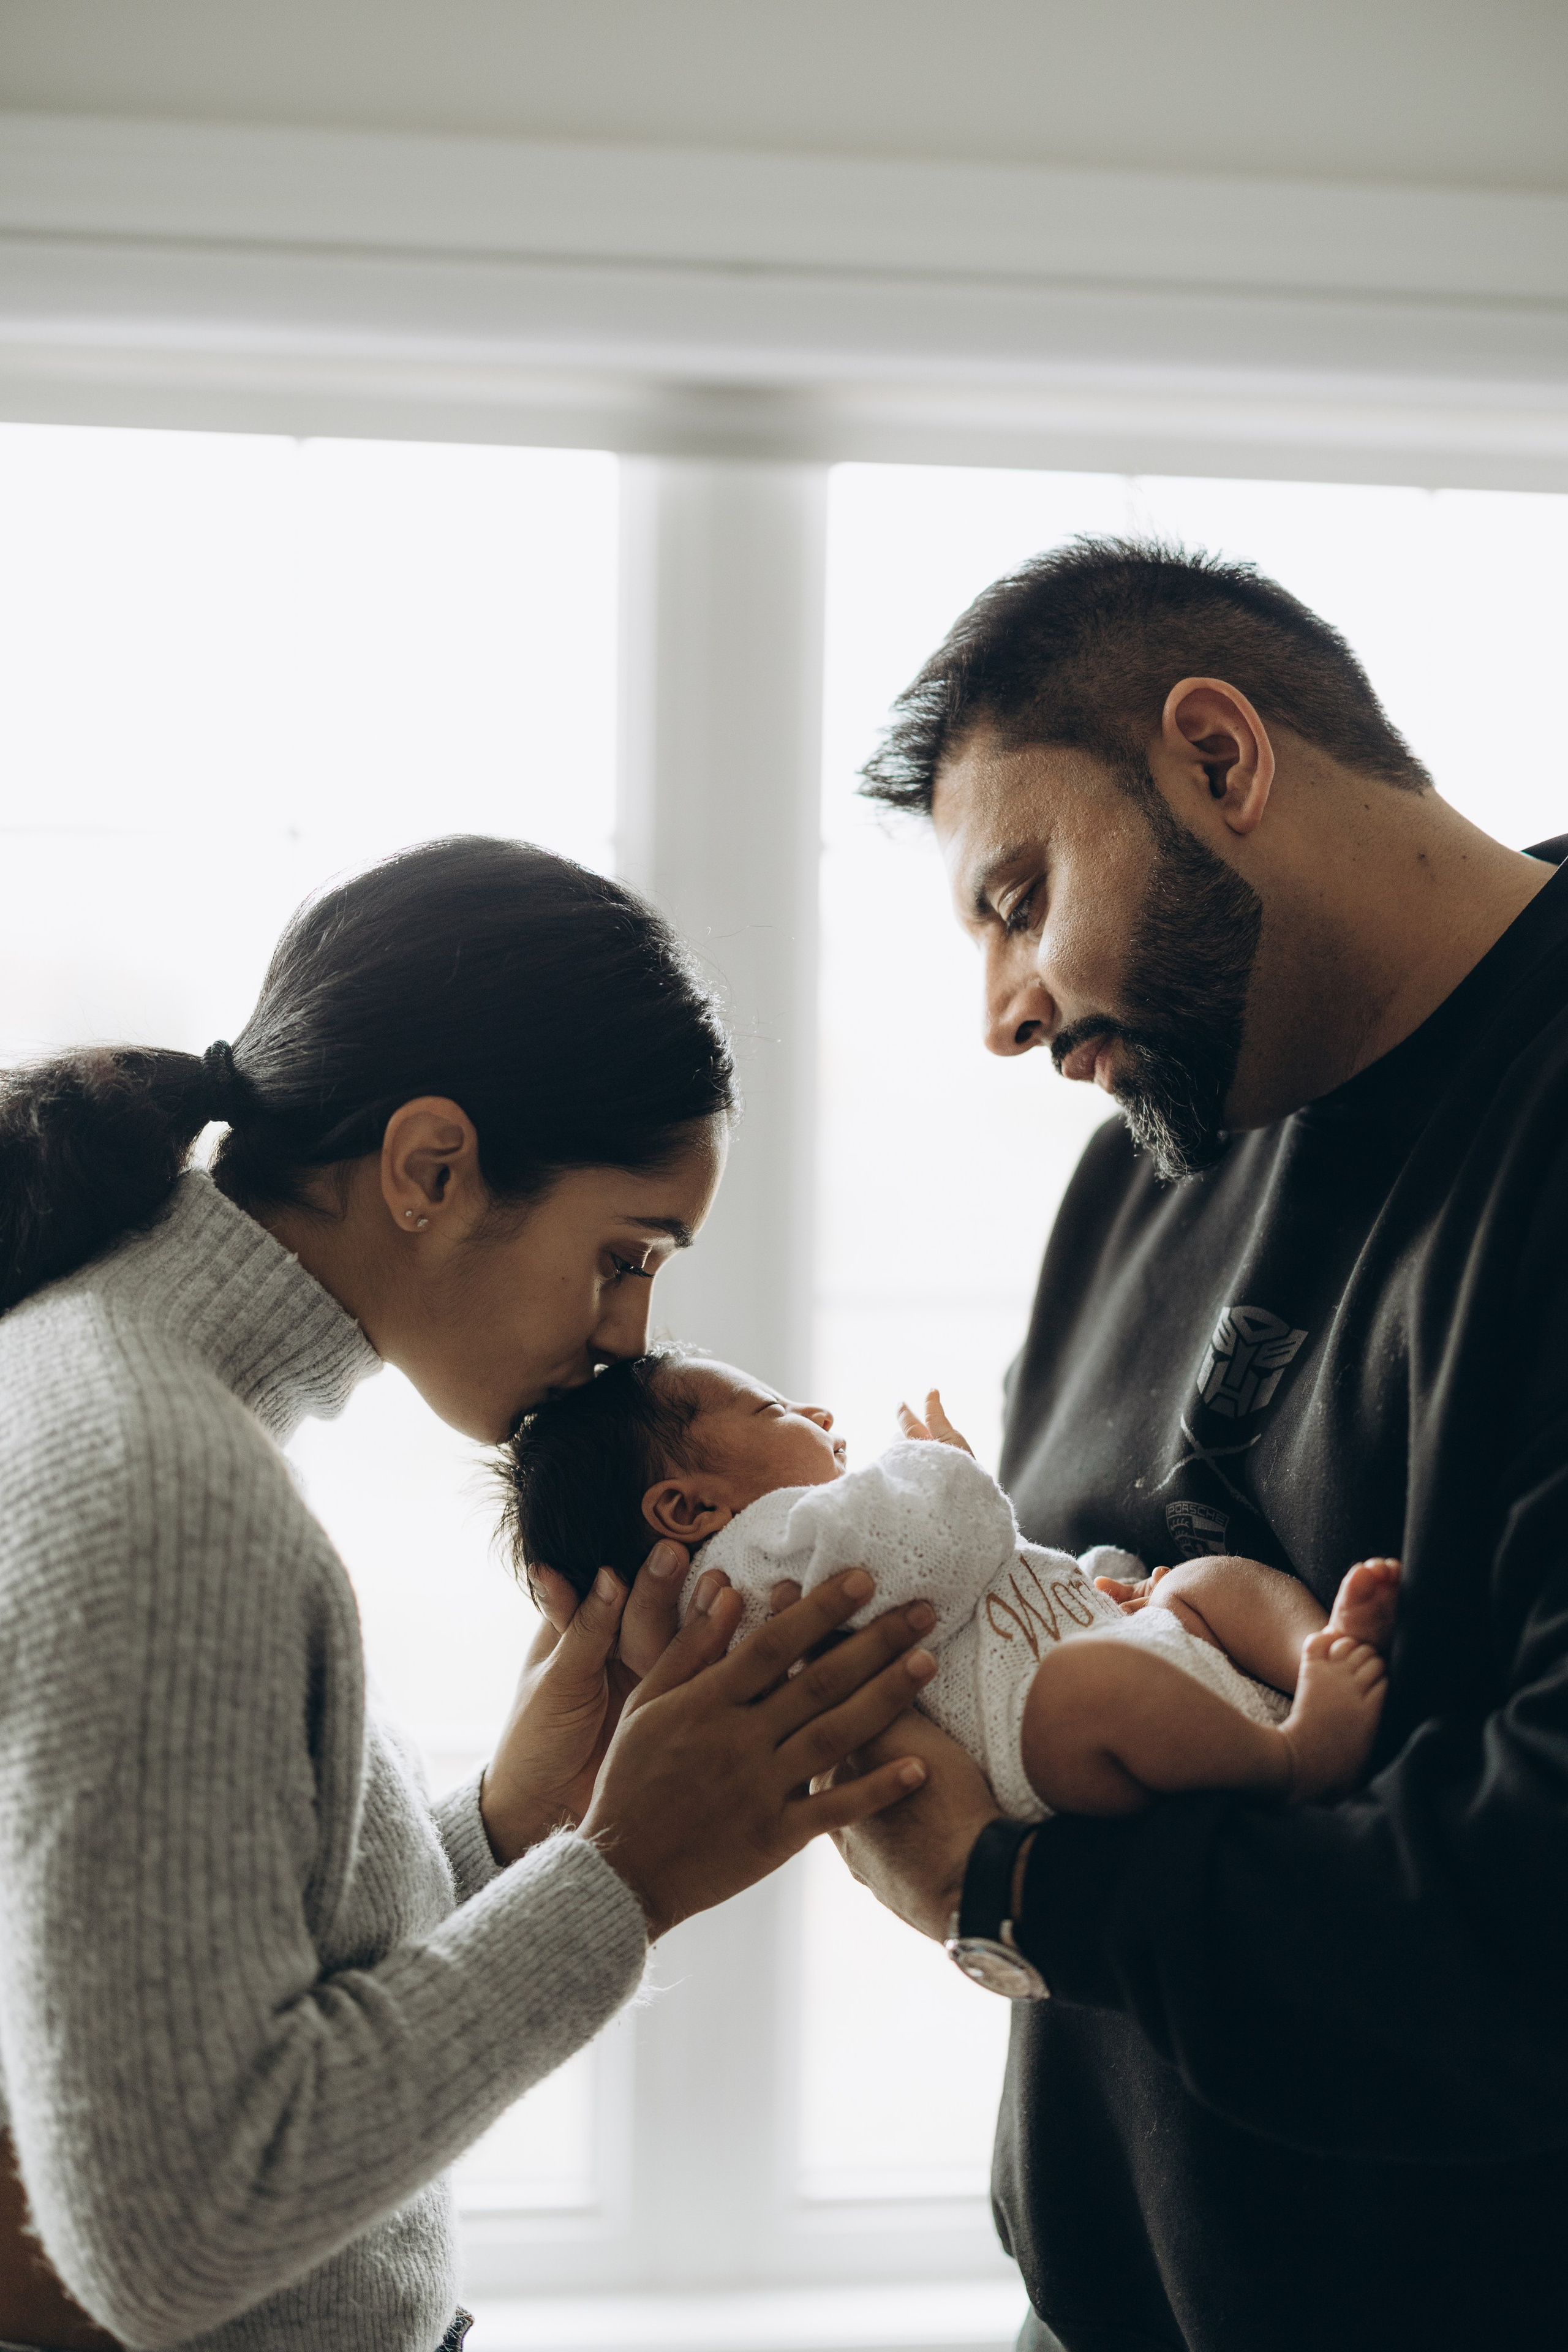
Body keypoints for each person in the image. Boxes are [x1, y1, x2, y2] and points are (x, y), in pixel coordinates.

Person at [0, 837, 937, 2352]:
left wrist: (513, 1829)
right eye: (625, 1253)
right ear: (430, 1167)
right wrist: (626, 1875)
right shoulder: (163, 1485)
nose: (632, 1335)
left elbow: (209, 1992)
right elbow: (174, 2232)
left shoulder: (120, 1385)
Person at [824, 541, 1568, 2352]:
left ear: (1220, 759)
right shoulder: (1142, 1175)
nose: (999, 1011)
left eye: (1020, 896)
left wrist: (1015, 1891)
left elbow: (1533, 1904)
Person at [503, 1351, 1398, 1817]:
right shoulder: (758, 1569)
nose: (816, 1414)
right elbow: (955, 1537)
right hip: (1046, 1746)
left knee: (1195, 1583)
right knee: (1083, 1686)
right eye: (773, 1411)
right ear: (689, 1510)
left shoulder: (795, 1552)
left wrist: (1104, 1588)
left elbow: (989, 1590)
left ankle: (1315, 1651)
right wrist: (938, 1464)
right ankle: (1289, 1761)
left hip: (1124, 1656)